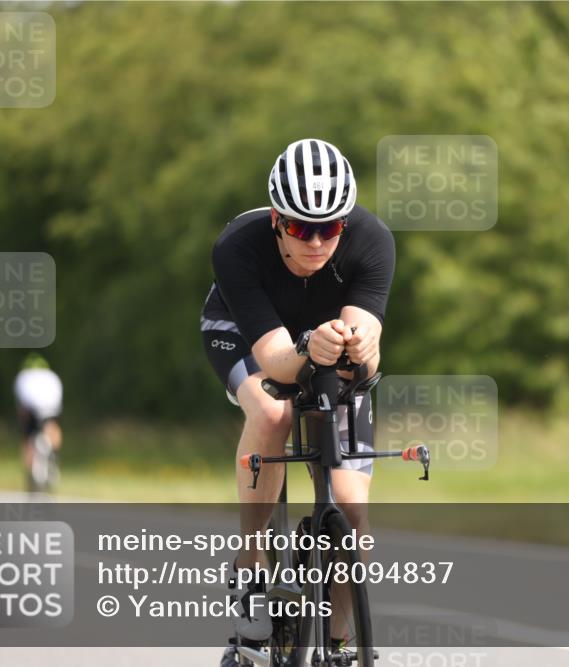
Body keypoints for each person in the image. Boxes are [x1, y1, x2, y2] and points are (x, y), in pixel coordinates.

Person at [202, 138, 394, 663]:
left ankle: (339, 642)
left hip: (323, 340)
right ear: (275, 220)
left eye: (329, 229)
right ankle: (252, 560)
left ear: (345, 224)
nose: (314, 242)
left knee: (352, 508)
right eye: (299, 228)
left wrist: (361, 349)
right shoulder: (236, 246)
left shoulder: (373, 240)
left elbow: (366, 359)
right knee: (273, 410)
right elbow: (277, 362)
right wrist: (309, 347)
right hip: (247, 334)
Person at [14, 353, 63, 481]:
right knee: (53, 427)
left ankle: (29, 468)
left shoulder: (23, 376)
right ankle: (54, 455)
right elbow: (58, 400)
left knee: (27, 438)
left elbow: (22, 404)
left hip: (32, 410)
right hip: (51, 409)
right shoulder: (52, 376)